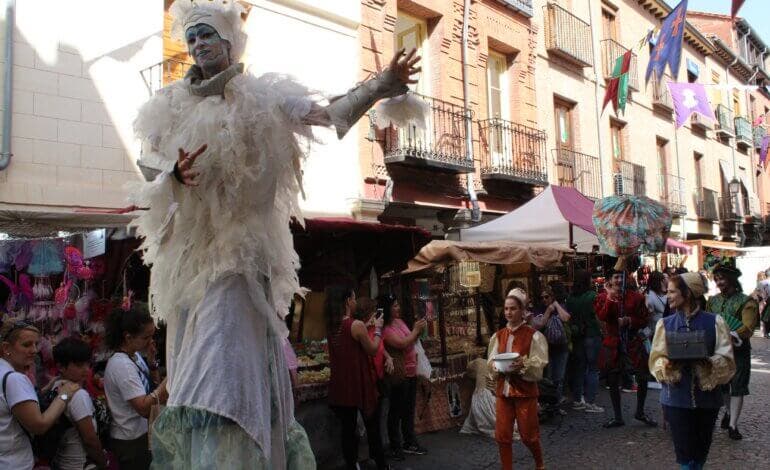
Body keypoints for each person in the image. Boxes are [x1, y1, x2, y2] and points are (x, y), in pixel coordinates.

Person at [128, 1, 421, 466]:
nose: (199, 44)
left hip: (240, 259)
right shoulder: (167, 105)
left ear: (229, 40)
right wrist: (173, 174)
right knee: (192, 372)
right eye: (191, 37)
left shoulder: (263, 96)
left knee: (223, 367)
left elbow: (326, 114)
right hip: (188, 264)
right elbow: (148, 160)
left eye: (207, 34)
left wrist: (381, 85)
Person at [649, 273, 735, 470]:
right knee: (684, 454)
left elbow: (727, 358)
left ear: (687, 294)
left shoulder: (715, 322)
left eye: (672, 291)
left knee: (701, 451)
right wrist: (668, 364)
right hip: (676, 398)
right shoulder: (665, 323)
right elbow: (656, 358)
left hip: (708, 400)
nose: (667, 295)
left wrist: (707, 363)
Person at [1, 320, 80, 469]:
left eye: (36, 344)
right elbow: (39, 425)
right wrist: (63, 396)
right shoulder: (15, 379)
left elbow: (15, 403)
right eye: (26, 345)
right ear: (6, 348)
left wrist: (45, 388)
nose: (34, 350)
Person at [326, 287, 390, 470]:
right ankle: (382, 465)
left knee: (347, 431)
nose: (355, 302)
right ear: (347, 301)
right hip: (359, 383)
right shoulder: (355, 325)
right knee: (372, 427)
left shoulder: (332, 326)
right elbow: (372, 349)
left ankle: (352, 465)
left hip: (340, 384)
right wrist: (377, 329)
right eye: (353, 298)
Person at [488, 292, 548, 470]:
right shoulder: (498, 336)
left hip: (524, 392)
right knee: (502, 435)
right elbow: (491, 361)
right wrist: (495, 367)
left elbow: (539, 363)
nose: (508, 312)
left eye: (513, 308)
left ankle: (540, 464)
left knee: (528, 435)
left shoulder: (533, 336)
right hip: (503, 391)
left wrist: (523, 364)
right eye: (506, 308)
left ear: (522, 311)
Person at [103, 305, 168, 470]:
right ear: (128, 337)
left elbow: (152, 388)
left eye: (152, 336)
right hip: (130, 440)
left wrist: (152, 365)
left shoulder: (136, 356)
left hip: (142, 434)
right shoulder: (121, 365)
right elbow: (144, 408)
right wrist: (171, 379)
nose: (151, 341)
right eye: (146, 337)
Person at [594, 269, 657, 428]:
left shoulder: (637, 297)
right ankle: (617, 416)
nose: (619, 280)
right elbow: (602, 316)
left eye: (621, 277)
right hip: (612, 343)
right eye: (616, 277)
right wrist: (609, 297)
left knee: (642, 377)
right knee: (613, 379)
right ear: (610, 279)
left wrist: (630, 320)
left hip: (633, 342)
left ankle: (640, 412)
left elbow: (643, 319)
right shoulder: (602, 297)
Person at [705, 262, 758, 440]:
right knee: (722, 385)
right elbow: (707, 322)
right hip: (719, 350)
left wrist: (731, 333)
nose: (719, 282)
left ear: (731, 280)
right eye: (717, 279)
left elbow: (748, 327)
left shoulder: (746, 301)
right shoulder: (712, 301)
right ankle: (727, 411)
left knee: (738, 386)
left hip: (739, 350)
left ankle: (733, 424)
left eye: (722, 279)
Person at [381, 294, 427, 460]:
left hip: (412, 371)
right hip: (400, 374)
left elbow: (411, 339)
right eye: (394, 306)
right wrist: (415, 330)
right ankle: (395, 445)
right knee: (396, 411)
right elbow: (402, 343)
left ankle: (409, 441)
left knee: (408, 410)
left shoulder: (399, 322)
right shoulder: (385, 329)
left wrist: (417, 331)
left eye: (398, 305)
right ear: (387, 309)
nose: (398, 308)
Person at [51, 337, 109, 470]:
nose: (86, 370)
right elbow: (90, 440)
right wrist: (103, 462)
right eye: (79, 365)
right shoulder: (78, 395)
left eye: (87, 364)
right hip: (81, 464)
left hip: (62, 461)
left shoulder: (56, 386)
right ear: (61, 367)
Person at [566, 270, 604, 413]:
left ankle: (577, 399)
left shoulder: (570, 298)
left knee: (579, 368)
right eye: (591, 279)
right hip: (592, 334)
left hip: (577, 335)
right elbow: (598, 316)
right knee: (593, 368)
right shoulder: (592, 296)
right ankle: (590, 402)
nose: (593, 281)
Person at [530, 284, 570, 412]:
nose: (544, 300)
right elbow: (538, 326)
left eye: (547, 297)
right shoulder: (539, 310)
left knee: (559, 377)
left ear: (552, 297)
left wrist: (556, 305)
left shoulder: (560, 306)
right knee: (549, 378)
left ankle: (556, 405)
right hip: (546, 348)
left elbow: (566, 318)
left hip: (561, 347)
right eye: (542, 298)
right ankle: (550, 404)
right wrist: (548, 310)